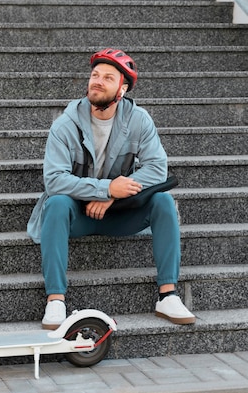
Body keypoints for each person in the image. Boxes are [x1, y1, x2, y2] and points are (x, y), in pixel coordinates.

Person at [27, 47, 196, 329]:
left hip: (120, 214)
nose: (97, 81)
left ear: (123, 87)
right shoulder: (65, 124)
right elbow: (54, 180)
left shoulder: (138, 119)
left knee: (164, 202)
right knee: (56, 202)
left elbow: (157, 168)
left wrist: (111, 198)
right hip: (76, 216)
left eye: (108, 77)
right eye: (95, 75)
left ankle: (168, 295)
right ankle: (55, 300)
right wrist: (106, 189)